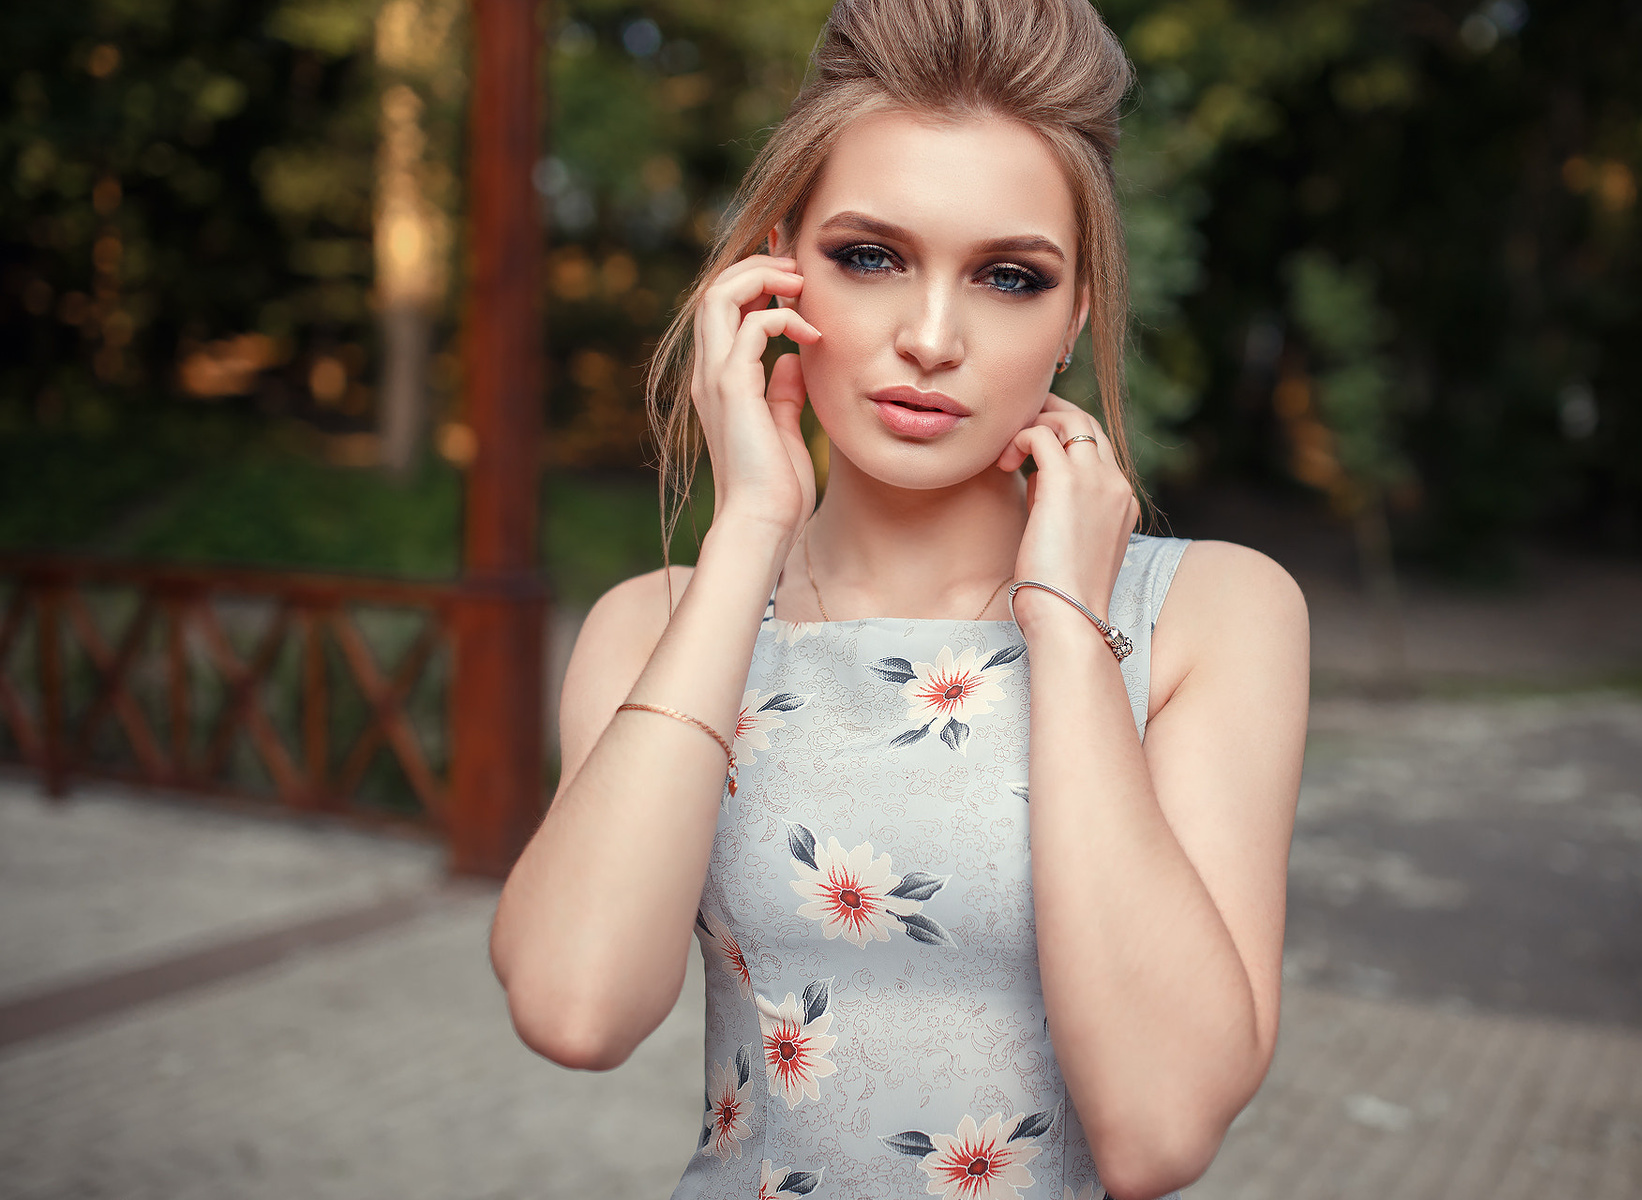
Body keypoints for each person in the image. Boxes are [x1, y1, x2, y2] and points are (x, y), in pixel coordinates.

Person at [487, 1, 1309, 1197]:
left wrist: (1068, 633)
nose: (931, 336)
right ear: (779, 270)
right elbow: (575, 1009)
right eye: (871, 256)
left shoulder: (1210, 615)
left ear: (1075, 316)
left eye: (1009, 276)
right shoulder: (658, 621)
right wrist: (747, 535)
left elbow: (1160, 1131)